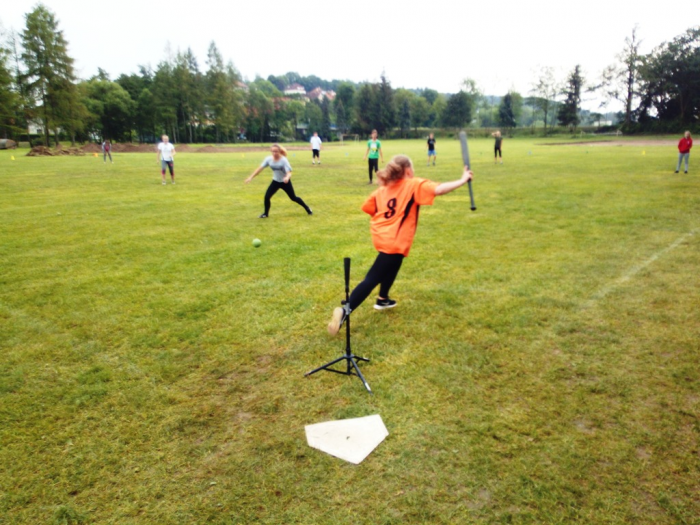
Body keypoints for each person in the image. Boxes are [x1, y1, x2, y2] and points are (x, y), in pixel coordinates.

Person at [327, 155, 474, 335]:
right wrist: (463, 179)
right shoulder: (413, 185)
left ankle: (383, 299)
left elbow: (368, 208)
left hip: (383, 237)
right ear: (407, 170)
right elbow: (439, 189)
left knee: (394, 263)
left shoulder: (383, 189)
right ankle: (344, 311)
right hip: (394, 240)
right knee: (372, 278)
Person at [245, 143, 312, 218]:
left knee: (293, 198)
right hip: (276, 181)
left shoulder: (283, 160)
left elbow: (289, 172)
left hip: (285, 182)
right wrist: (250, 177)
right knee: (267, 197)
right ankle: (265, 214)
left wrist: (287, 178)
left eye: (276, 151)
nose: (274, 153)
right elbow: (259, 169)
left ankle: (307, 208)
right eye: (273, 151)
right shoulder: (268, 159)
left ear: (279, 151)